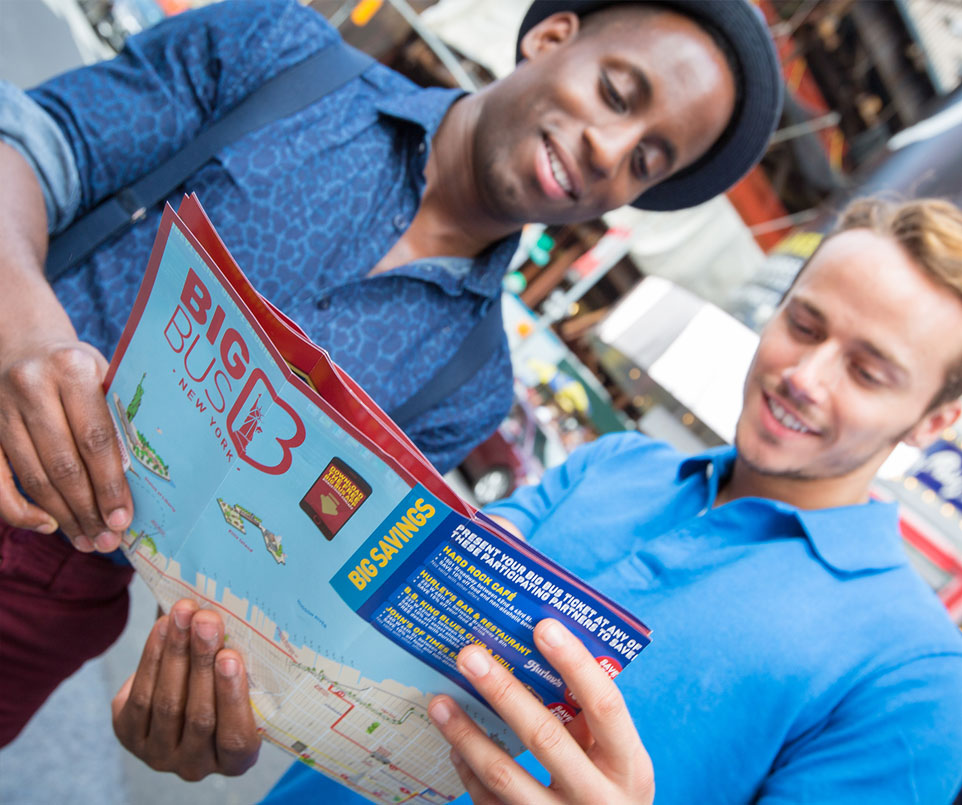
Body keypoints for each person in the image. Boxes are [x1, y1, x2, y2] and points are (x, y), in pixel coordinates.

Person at [0, 0, 782, 748]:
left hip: (47, 594)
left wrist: (234, 706)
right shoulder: (279, 53)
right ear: (549, 38)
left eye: (646, 160)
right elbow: (32, 146)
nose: (611, 151)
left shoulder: (472, 385)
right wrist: (25, 334)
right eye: (617, 93)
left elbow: (288, 570)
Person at [116, 196, 962, 804]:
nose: (803, 377)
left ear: (938, 418)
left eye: (868, 370)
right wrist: (228, 687)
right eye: (805, 326)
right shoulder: (614, 465)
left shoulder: (916, 675)